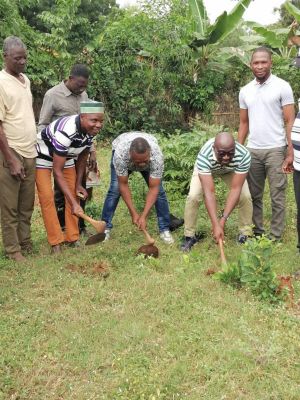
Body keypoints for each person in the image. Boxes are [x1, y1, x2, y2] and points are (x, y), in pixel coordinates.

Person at [238, 46, 295, 240]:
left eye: (264, 62)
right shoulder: (245, 91)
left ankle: (276, 235)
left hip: (276, 149)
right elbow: (243, 123)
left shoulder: (282, 86)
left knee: (277, 195)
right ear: (250, 65)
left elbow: (290, 121)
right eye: (256, 62)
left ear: (270, 63)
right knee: (254, 195)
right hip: (253, 150)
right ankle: (258, 232)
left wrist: (290, 150)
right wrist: (239, 149)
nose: (260, 66)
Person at [35, 101, 104, 253]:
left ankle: (72, 238)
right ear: (82, 117)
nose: (98, 125)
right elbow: (57, 171)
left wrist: (79, 184)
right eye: (94, 120)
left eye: (101, 121)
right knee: (46, 197)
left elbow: (82, 157)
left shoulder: (90, 131)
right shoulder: (67, 131)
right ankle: (55, 242)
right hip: (44, 155)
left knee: (75, 193)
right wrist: (73, 203)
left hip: (66, 156)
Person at [38, 64, 97, 234]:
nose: (82, 88)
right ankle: (62, 225)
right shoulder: (53, 95)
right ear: (70, 78)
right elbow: (42, 124)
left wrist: (92, 149)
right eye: (79, 84)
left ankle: (80, 225)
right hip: (58, 150)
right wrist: (52, 149)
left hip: (79, 150)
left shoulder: (83, 94)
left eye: (85, 85)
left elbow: (88, 125)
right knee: (60, 189)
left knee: (80, 186)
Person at [181, 132, 252, 251]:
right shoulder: (204, 155)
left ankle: (245, 234)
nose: (226, 157)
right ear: (214, 149)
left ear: (235, 148)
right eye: (222, 153)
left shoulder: (243, 154)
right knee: (193, 196)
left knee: (245, 196)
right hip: (208, 169)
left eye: (230, 153)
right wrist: (215, 224)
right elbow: (209, 192)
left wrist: (222, 221)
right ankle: (189, 236)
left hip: (230, 170)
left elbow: (236, 189)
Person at [101, 131, 177, 243]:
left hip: (148, 160)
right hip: (121, 149)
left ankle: (164, 229)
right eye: (138, 161)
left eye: (144, 161)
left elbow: (154, 188)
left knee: (159, 192)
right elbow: (123, 184)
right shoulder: (120, 155)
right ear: (130, 154)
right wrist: (133, 213)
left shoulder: (156, 157)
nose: (141, 165)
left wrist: (144, 216)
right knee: (115, 189)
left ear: (150, 153)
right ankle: (105, 228)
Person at [0, 36, 37, 262]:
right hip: (11, 152)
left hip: (30, 151)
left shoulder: (26, 80)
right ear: (5, 57)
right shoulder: (1, 82)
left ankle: (26, 242)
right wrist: (10, 159)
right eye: (17, 58)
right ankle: (13, 249)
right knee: (9, 206)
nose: (22, 61)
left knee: (26, 204)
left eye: (24, 57)